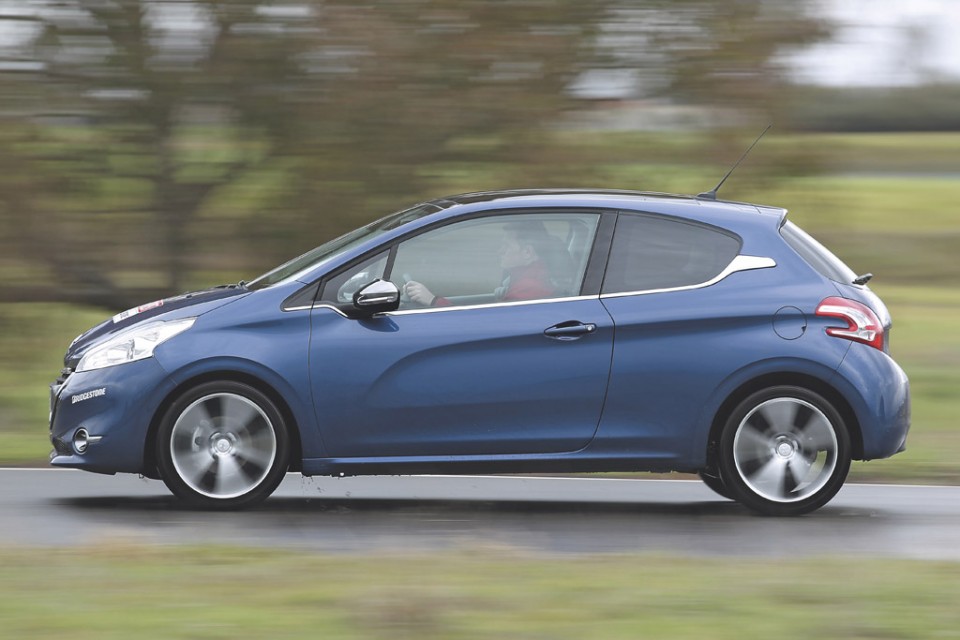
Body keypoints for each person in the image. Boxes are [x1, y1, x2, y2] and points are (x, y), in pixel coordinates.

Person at [403, 220, 558, 307]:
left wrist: (432, 300)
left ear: (527, 253)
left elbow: (484, 327)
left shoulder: (529, 289)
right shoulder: (522, 282)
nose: (500, 251)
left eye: (507, 246)